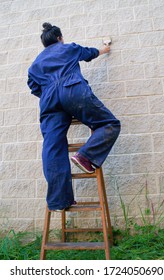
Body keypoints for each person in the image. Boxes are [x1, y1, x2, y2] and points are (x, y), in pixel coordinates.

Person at [27, 22, 121, 211]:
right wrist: (105, 49)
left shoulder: (35, 65)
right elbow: (89, 53)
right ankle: (86, 156)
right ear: (60, 38)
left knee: (52, 147)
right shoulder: (68, 48)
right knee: (110, 124)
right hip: (73, 92)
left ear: (45, 44)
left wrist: (51, 96)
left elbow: (33, 87)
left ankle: (58, 202)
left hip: (49, 103)